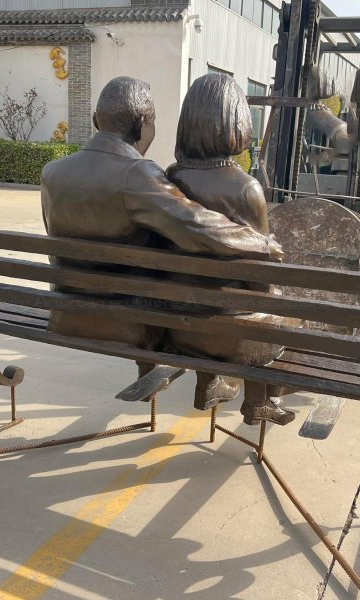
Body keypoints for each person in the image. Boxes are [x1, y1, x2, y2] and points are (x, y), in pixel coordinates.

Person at [41, 76, 284, 404]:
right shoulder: (137, 174)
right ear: (142, 125)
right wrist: (260, 242)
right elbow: (195, 224)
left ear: (98, 121)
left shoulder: (53, 172)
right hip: (130, 324)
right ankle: (255, 396)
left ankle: (157, 373)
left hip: (64, 314)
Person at [166, 73, 293, 426]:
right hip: (229, 338)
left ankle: (208, 384)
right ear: (237, 120)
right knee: (275, 308)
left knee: (208, 289)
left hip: (177, 326)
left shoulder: (170, 179)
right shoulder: (246, 188)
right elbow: (260, 277)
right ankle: (259, 401)